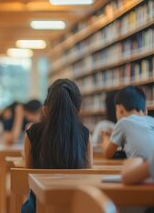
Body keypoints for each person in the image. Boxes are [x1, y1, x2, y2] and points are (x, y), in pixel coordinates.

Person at [22, 79, 92, 213]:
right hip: (76, 205)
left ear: (45, 110)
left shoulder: (32, 134)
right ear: (78, 111)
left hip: (40, 205)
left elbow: (29, 179)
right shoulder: (85, 134)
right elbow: (89, 175)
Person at [104, 86, 154, 159]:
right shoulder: (152, 120)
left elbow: (108, 154)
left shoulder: (123, 123)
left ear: (119, 109)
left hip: (141, 168)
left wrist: (105, 137)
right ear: (144, 110)